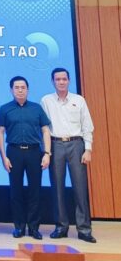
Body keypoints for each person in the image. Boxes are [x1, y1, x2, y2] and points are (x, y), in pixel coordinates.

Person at [41, 68, 96, 243]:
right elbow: (44, 128)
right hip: (56, 144)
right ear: (52, 82)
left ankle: (84, 229)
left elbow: (87, 126)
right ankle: (61, 227)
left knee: (80, 188)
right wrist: (46, 151)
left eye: (64, 79)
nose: (61, 82)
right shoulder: (46, 100)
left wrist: (88, 149)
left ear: (69, 80)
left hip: (76, 144)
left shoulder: (79, 100)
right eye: (58, 79)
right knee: (57, 188)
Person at [0, 76, 51, 240]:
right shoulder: (5, 109)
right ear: (11, 90)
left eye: (23, 87)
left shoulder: (37, 108)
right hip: (14, 152)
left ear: (27, 89)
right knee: (16, 191)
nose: (20, 90)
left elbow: (45, 131)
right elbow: (0, 133)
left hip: (34, 152)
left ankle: (34, 228)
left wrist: (47, 153)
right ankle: (19, 227)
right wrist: (3, 157)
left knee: (35, 191)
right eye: (17, 87)